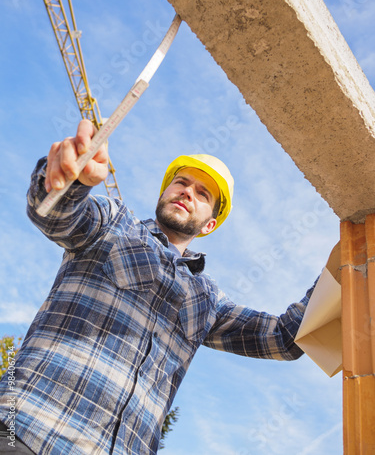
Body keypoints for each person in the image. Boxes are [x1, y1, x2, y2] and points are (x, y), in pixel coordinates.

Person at [0, 120, 336, 454]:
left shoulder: (208, 300)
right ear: (165, 191)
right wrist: (67, 179)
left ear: (210, 224)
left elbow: (285, 339)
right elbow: (56, 215)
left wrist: (343, 265)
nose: (188, 192)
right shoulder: (114, 224)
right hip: (29, 431)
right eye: (182, 182)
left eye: (202, 193)